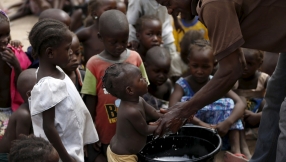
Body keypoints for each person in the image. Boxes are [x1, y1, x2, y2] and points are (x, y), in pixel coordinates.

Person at [153, 1, 286, 161]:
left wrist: (184, 111)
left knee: (284, 113)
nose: (169, 10)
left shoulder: (212, 4)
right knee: (276, 97)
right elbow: (237, 62)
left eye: (168, 2)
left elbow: (231, 70)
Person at [81, 10, 149, 162]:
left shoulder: (135, 57)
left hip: (134, 127)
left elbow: (144, 91)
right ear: (101, 37)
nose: (120, 46)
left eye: (124, 41)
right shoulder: (94, 64)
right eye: (114, 42)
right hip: (106, 129)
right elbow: (91, 99)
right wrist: (91, 132)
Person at [28, 19, 99, 162]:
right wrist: (66, 158)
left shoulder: (57, 70)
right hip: (65, 151)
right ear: (50, 53)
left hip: (72, 143)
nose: (71, 52)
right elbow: (48, 127)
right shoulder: (48, 85)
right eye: (67, 49)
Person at [169, 40, 247, 161]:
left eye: (205, 67)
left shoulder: (216, 82)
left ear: (214, 64)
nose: (199, 71)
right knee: (183, 104)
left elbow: (241, 103)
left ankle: (236, 152)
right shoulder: (182, 84)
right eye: (195, 66)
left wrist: (227, 123)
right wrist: (202, 125)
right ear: (189, 63)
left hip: (219, 130)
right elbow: (172, 106)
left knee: (229, 104)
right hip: (194, 129)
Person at [102, 63, 161, 162]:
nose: (145, 79)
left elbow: (155, 113)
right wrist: (164, 124)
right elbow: (145, 130)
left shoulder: (139, 100)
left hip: (126, 152)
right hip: (122, 157)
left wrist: (173, 114)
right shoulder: (131, 111)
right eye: (140, 79)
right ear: (130, 90)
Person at [0, 10, 31, 140]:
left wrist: (16, 65)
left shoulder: (15, 55)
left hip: (13, 109)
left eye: (7, 34)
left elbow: (24, 84)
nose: (5, 40)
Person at [0, 69, 36, 162]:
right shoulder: (24, 115)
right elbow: (22, 146)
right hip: (6, 156)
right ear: (30, 94)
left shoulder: (32, 109)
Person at [76, 0, 117, 66]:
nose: (113, 13)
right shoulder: (87, 33)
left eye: (115, 9)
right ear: (95, 14)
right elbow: (69, 44)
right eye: (108, 9)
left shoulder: (118, 31)